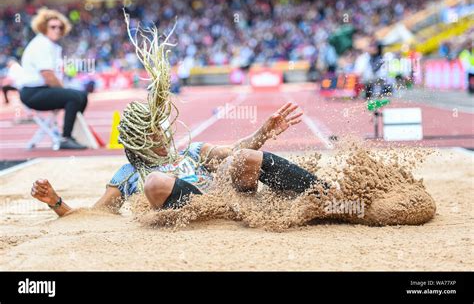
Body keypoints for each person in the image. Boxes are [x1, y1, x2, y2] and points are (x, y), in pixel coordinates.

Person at [31, 15, 330, 215]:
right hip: (200, 213)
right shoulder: (128, 176)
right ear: (138, 143)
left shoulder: (194, 151)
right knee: (155, 184)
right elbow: (96, 216)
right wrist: (56, 203)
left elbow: (235, 151)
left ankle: (327, 197)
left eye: (160, 129)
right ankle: (211, 211)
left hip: (233, 201)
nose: (162, 135)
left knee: (243, 158)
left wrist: (264, 131)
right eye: (153, 134)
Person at [19, 8, 88, 150]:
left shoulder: (51, 45)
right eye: (53, 27)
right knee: (74, 97)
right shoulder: (41, 44)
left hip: (43, 90)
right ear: (43, 27)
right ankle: (65, 138)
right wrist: (65, 91)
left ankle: (73, 133)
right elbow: (48, 76)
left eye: (60, 27)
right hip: (32, 93)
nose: (57, 30)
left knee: (82, 95)